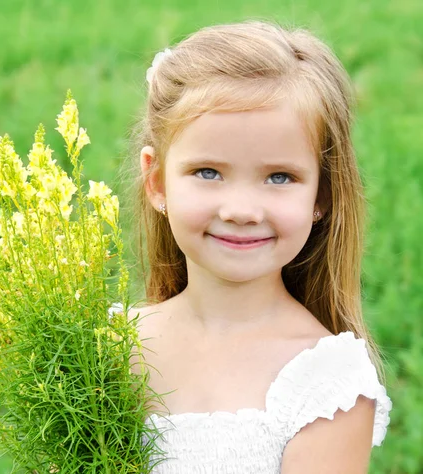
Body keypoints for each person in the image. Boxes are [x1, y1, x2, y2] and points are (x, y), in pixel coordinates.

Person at [120, 19, 392, 473]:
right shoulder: (110, 346)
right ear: (156, 181)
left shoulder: (327, 385)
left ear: (321, 196)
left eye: (279, 177)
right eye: (208, 172)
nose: (241, 210)